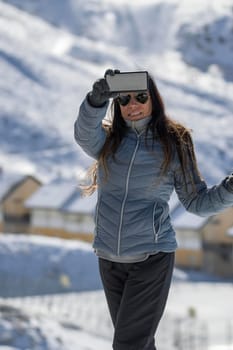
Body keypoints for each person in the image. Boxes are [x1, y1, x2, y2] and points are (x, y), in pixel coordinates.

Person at [74, 69, 233, 350]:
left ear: (154, 100)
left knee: (129, 344)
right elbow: (84, 134)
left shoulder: (173, 142)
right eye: (124, 99)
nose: (132, 105)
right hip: (109, 258)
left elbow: (197, 202)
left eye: (141, 97)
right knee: (137, 344)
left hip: (151, 258)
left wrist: (229, 189)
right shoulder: (109, 141)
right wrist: (95, 102)